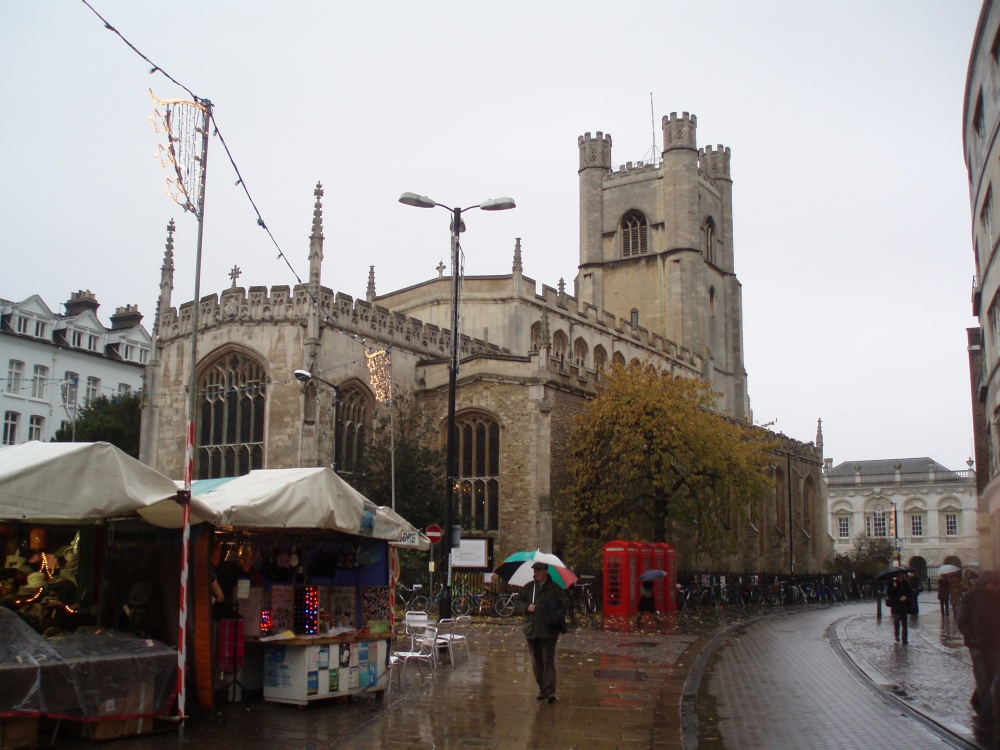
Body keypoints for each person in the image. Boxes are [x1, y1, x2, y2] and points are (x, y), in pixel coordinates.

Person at [515, 561, 570, 704]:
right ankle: (542, 688)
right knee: (537, 662)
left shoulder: (555, 589)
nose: (536, 573)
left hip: (549, 630)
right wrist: (527, 606)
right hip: (532, 629)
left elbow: (565, 603)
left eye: (539, 571)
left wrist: (550, 606)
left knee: (548, 660)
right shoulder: (529, 588)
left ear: (545, 571)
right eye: (535, 571)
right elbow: (517, 602)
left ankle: (550, 691)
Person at [956, 570, 1000, 722]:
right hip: (976, 645)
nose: (992, 586)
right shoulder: (970, 597)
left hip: (993, 644)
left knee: (991, 677)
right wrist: (971, 637)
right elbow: (961, 619)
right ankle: (986, 714)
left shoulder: (996, 598)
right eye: (990, 584)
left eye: (994, 584)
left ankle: (978, 702)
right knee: (982, 679)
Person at [885, 571, 912, 644]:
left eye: (902, 574)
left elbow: (910, 592)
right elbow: (889, 593)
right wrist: (894, 587)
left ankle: (904, 639)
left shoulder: (906, 583)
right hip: (895, 606)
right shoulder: (892, 582)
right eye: (899, 575)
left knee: (904, 624)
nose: (901, 576)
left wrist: (906, 597)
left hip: (904, 606)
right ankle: (897, 635)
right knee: (896, 622)